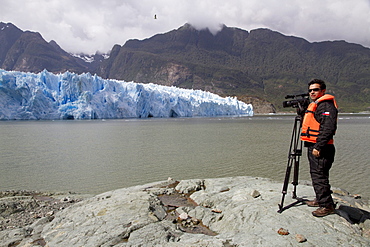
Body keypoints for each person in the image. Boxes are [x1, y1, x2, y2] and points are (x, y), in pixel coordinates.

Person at [301, 79, 338, 217]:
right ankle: (321, 199)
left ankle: (327, 206)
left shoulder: (326, 106)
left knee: (319, 176)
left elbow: (328, 128)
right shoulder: (318, 105)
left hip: (322, 148)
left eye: (315, 90)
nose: (312, 92)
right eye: (310, 90)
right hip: (315, 146)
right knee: (319, 175)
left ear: (323, 91)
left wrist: (319, 146)